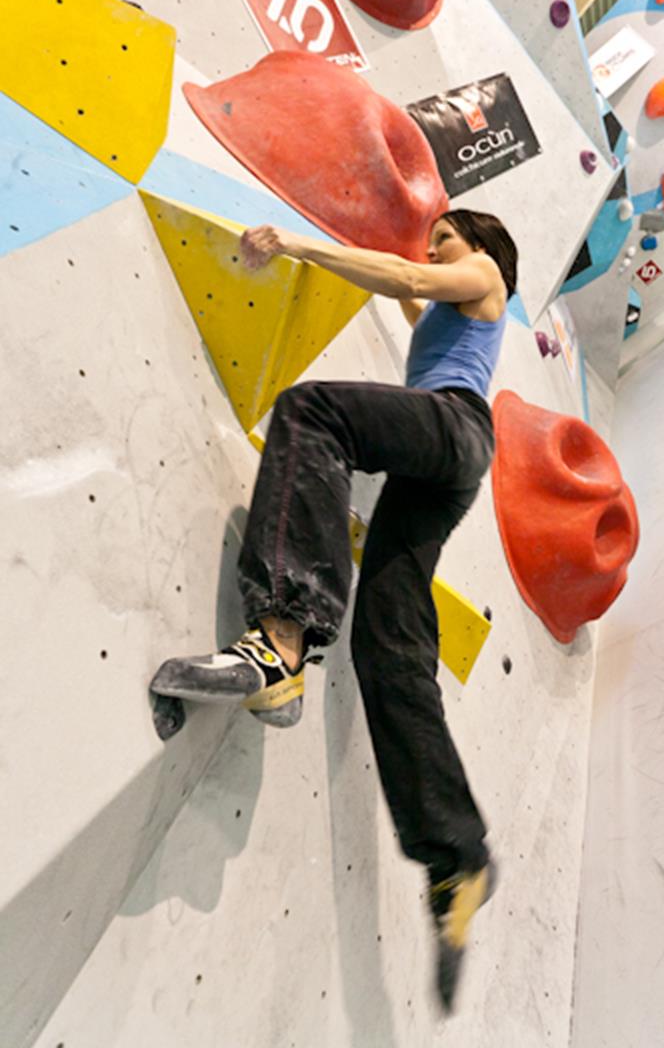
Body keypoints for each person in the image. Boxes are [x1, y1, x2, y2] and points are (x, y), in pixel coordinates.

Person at [151, 208, 519, 1011]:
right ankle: (456, 854)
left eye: (445, 239)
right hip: (446, 466)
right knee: (389, 643)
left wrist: (298, 243)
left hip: (456, 430)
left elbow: (410, 279)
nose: (433, 252)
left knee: (313, 410)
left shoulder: (485, 280)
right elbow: (410, 298)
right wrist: (380, 260)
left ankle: (280, 643)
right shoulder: (453, 316)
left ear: (484, 251)